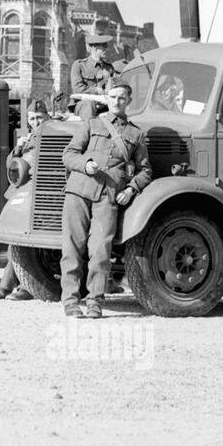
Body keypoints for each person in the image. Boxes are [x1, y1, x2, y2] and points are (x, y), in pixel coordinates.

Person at [60, 79, 152, 318]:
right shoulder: (92, 124)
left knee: (101, 250)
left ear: (128, 100)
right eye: (112, 97)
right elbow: (68, 155)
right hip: (79, 191)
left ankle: (94, 302)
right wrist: (85, 164)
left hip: (108, 196)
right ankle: (70, 302)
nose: (116, 101)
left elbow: (145, 170)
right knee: (72, 247)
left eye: (121, 97)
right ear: (107, 99)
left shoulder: (136, 134)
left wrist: (131, 189)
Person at [0, 100, 50, 301]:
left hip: (44, 193)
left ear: (47, 115)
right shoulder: (28, 138)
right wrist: (17, 148)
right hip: (25, 191)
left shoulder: (54, 132)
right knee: (17, 240)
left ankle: (16, 287)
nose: (36, 122)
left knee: (29, 243)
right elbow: (12, 165)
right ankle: (12, 286)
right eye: (32, 118)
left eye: (39, 117)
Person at [69, 35, 124, 118]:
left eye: (106, 46)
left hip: (105, 104)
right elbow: (77, 88)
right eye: (104, 46)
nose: (106, 49)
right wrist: (97, 91)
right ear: (94, 47)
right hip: (83, 103)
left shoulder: (109, 68)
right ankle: (88, 130)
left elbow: (116, 87)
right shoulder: (79, 65)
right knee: (89, 105)